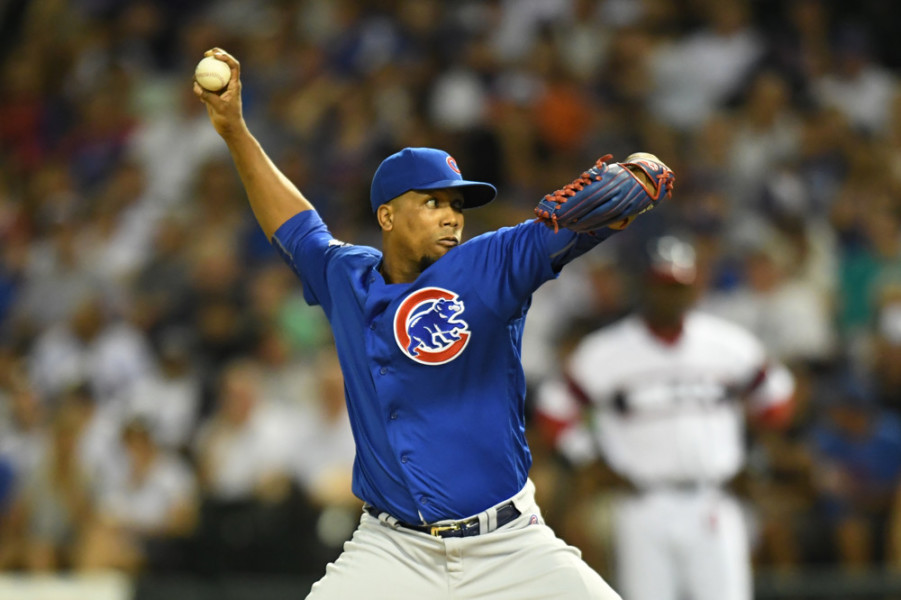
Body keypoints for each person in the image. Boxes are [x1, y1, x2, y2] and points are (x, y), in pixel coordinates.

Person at [192, 47, 664, 600]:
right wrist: (234, 130)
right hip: (392, 549)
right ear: (387, 216)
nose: (451, 216)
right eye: (432, 202)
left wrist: (644, 170)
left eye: (457, 206)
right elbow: (294, 224)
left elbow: (570, 227)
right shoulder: (346, 277)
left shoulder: (490, 263)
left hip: (508, 544)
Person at [536, 235, 796, 600]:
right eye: (662, 286)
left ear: (694, 287)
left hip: (713, 499)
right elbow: (554, 409)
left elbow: (777, 398)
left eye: (679, 286)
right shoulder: (608, 350)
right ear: (645, 286)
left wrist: (751, 451)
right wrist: (588, 458)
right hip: (642, 503)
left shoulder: (725, 344)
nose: (670, 296)